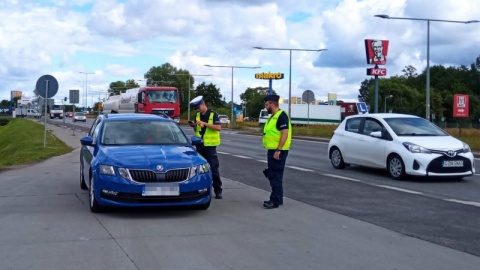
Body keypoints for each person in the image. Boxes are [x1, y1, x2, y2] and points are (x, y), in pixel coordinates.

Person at [189, 96, 223, 199]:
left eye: (198, 108)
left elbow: (218, 128)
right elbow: (198, 130)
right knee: (200, 168)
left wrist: (204, 123)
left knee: (213, 168)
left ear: (203, 104)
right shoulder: (198, 115)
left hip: (210, 146)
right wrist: (194, 125)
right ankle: (202, 189)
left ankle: (218, 190)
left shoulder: (213, 114)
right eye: (196, 109)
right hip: (200, 145)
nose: (197, 110)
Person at [262, 95, 292, 209]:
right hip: (273, 150)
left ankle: (275, 200)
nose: (266, 107)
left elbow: (285, 133)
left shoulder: (281, 116)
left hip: (278, 151)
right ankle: (277, 198)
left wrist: (278, 149)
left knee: (275, 175)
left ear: (271, 104)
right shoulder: (273, 116)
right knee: (272, 174)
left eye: (266, 105)